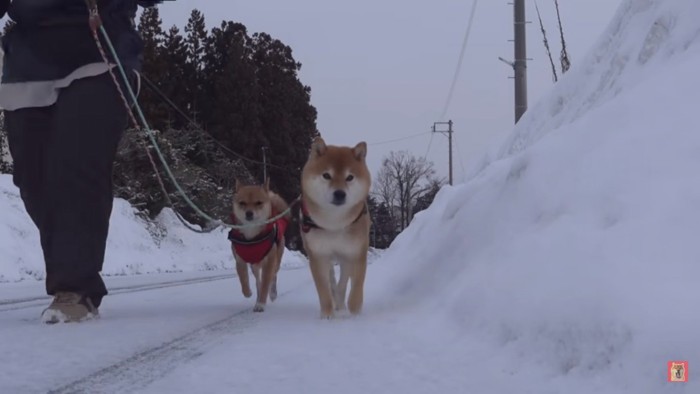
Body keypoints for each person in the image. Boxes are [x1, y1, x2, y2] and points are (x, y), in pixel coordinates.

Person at [0, 0, 165, 324]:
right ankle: (72, 264)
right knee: (33, 178)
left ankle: (75, 288)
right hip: (29, 58)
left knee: (75, 161)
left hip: (100, 49)